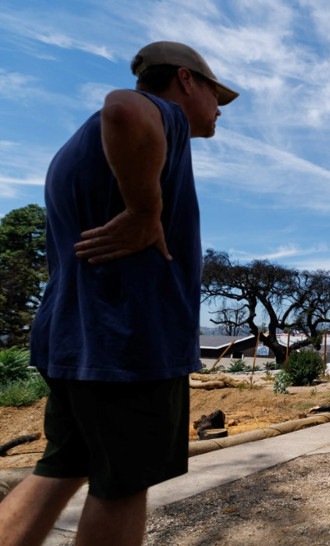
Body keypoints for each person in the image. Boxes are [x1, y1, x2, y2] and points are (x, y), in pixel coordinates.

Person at [0, 41, 238, 545]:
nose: (219, 110)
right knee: (122, 488)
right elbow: (123, 106)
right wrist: (144, 212)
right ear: (185, 79)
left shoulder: (77, 146)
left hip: (75, 342)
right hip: (128, 344)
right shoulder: (163, 114)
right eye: (216, 95)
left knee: (60, 468)